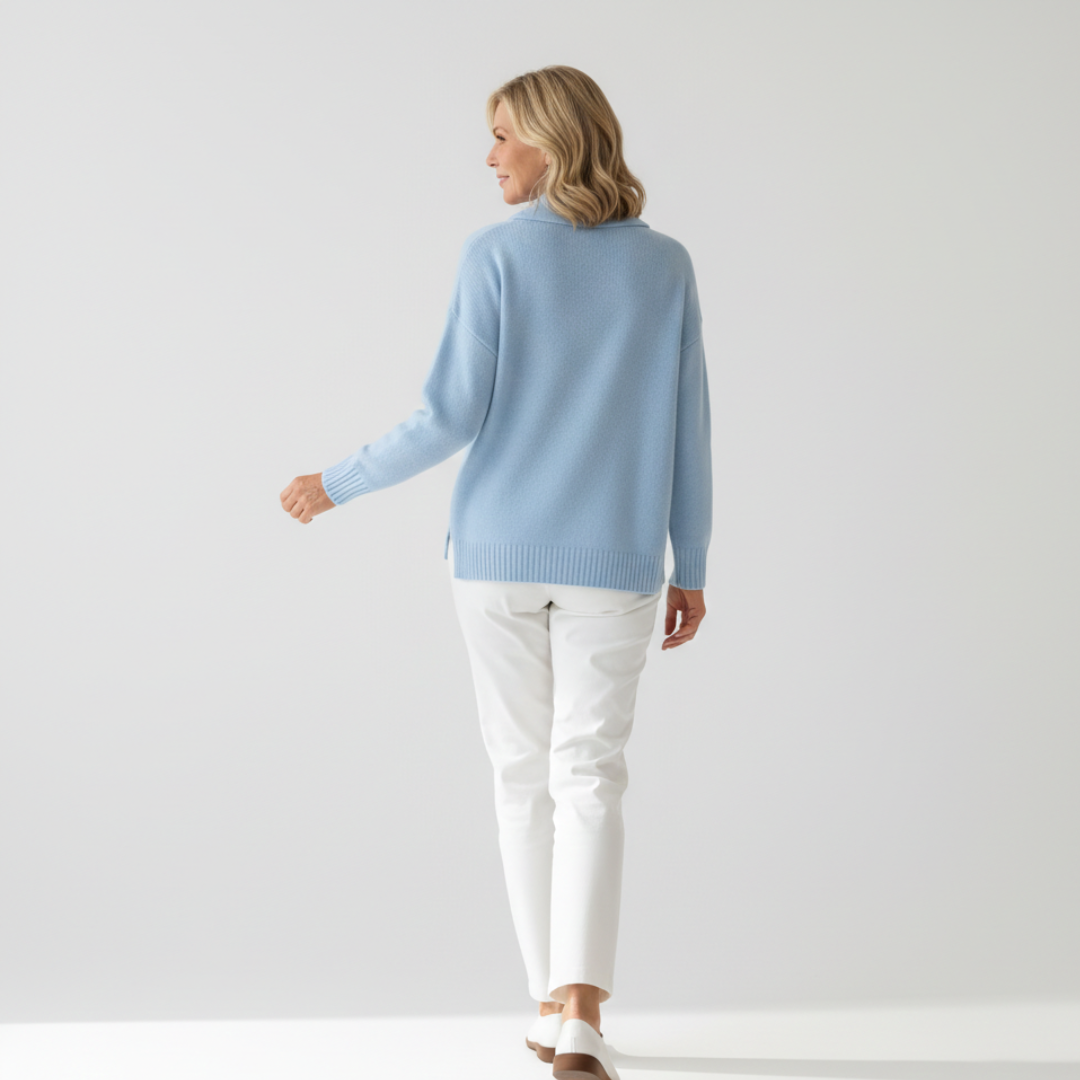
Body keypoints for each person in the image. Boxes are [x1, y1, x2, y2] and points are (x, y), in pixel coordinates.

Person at [279, 65, 711, 1080]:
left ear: (553, 142)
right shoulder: (666, 266)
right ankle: (579, 1011)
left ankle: (551, 1004)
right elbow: (689, 423)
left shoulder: (496, 256)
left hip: (495, 558)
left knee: (522, 776)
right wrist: (690, 561)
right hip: (617, 560)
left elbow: (447, 416)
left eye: (504, 135)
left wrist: (335, 482)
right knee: (589, 775)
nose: (490, 156)